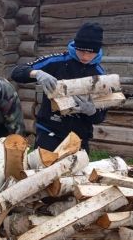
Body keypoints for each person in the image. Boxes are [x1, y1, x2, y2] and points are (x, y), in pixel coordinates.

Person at [11, 22, 107, 151]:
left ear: (98, 51)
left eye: (90, 53)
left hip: (79, 137)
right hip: (49, 132)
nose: (85, 56)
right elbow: (17, 72)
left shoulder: (100, 75)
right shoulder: (56, 61)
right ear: (75, 46)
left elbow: (100, 117)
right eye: (81, 50)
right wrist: (37, 73)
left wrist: (92, 111)